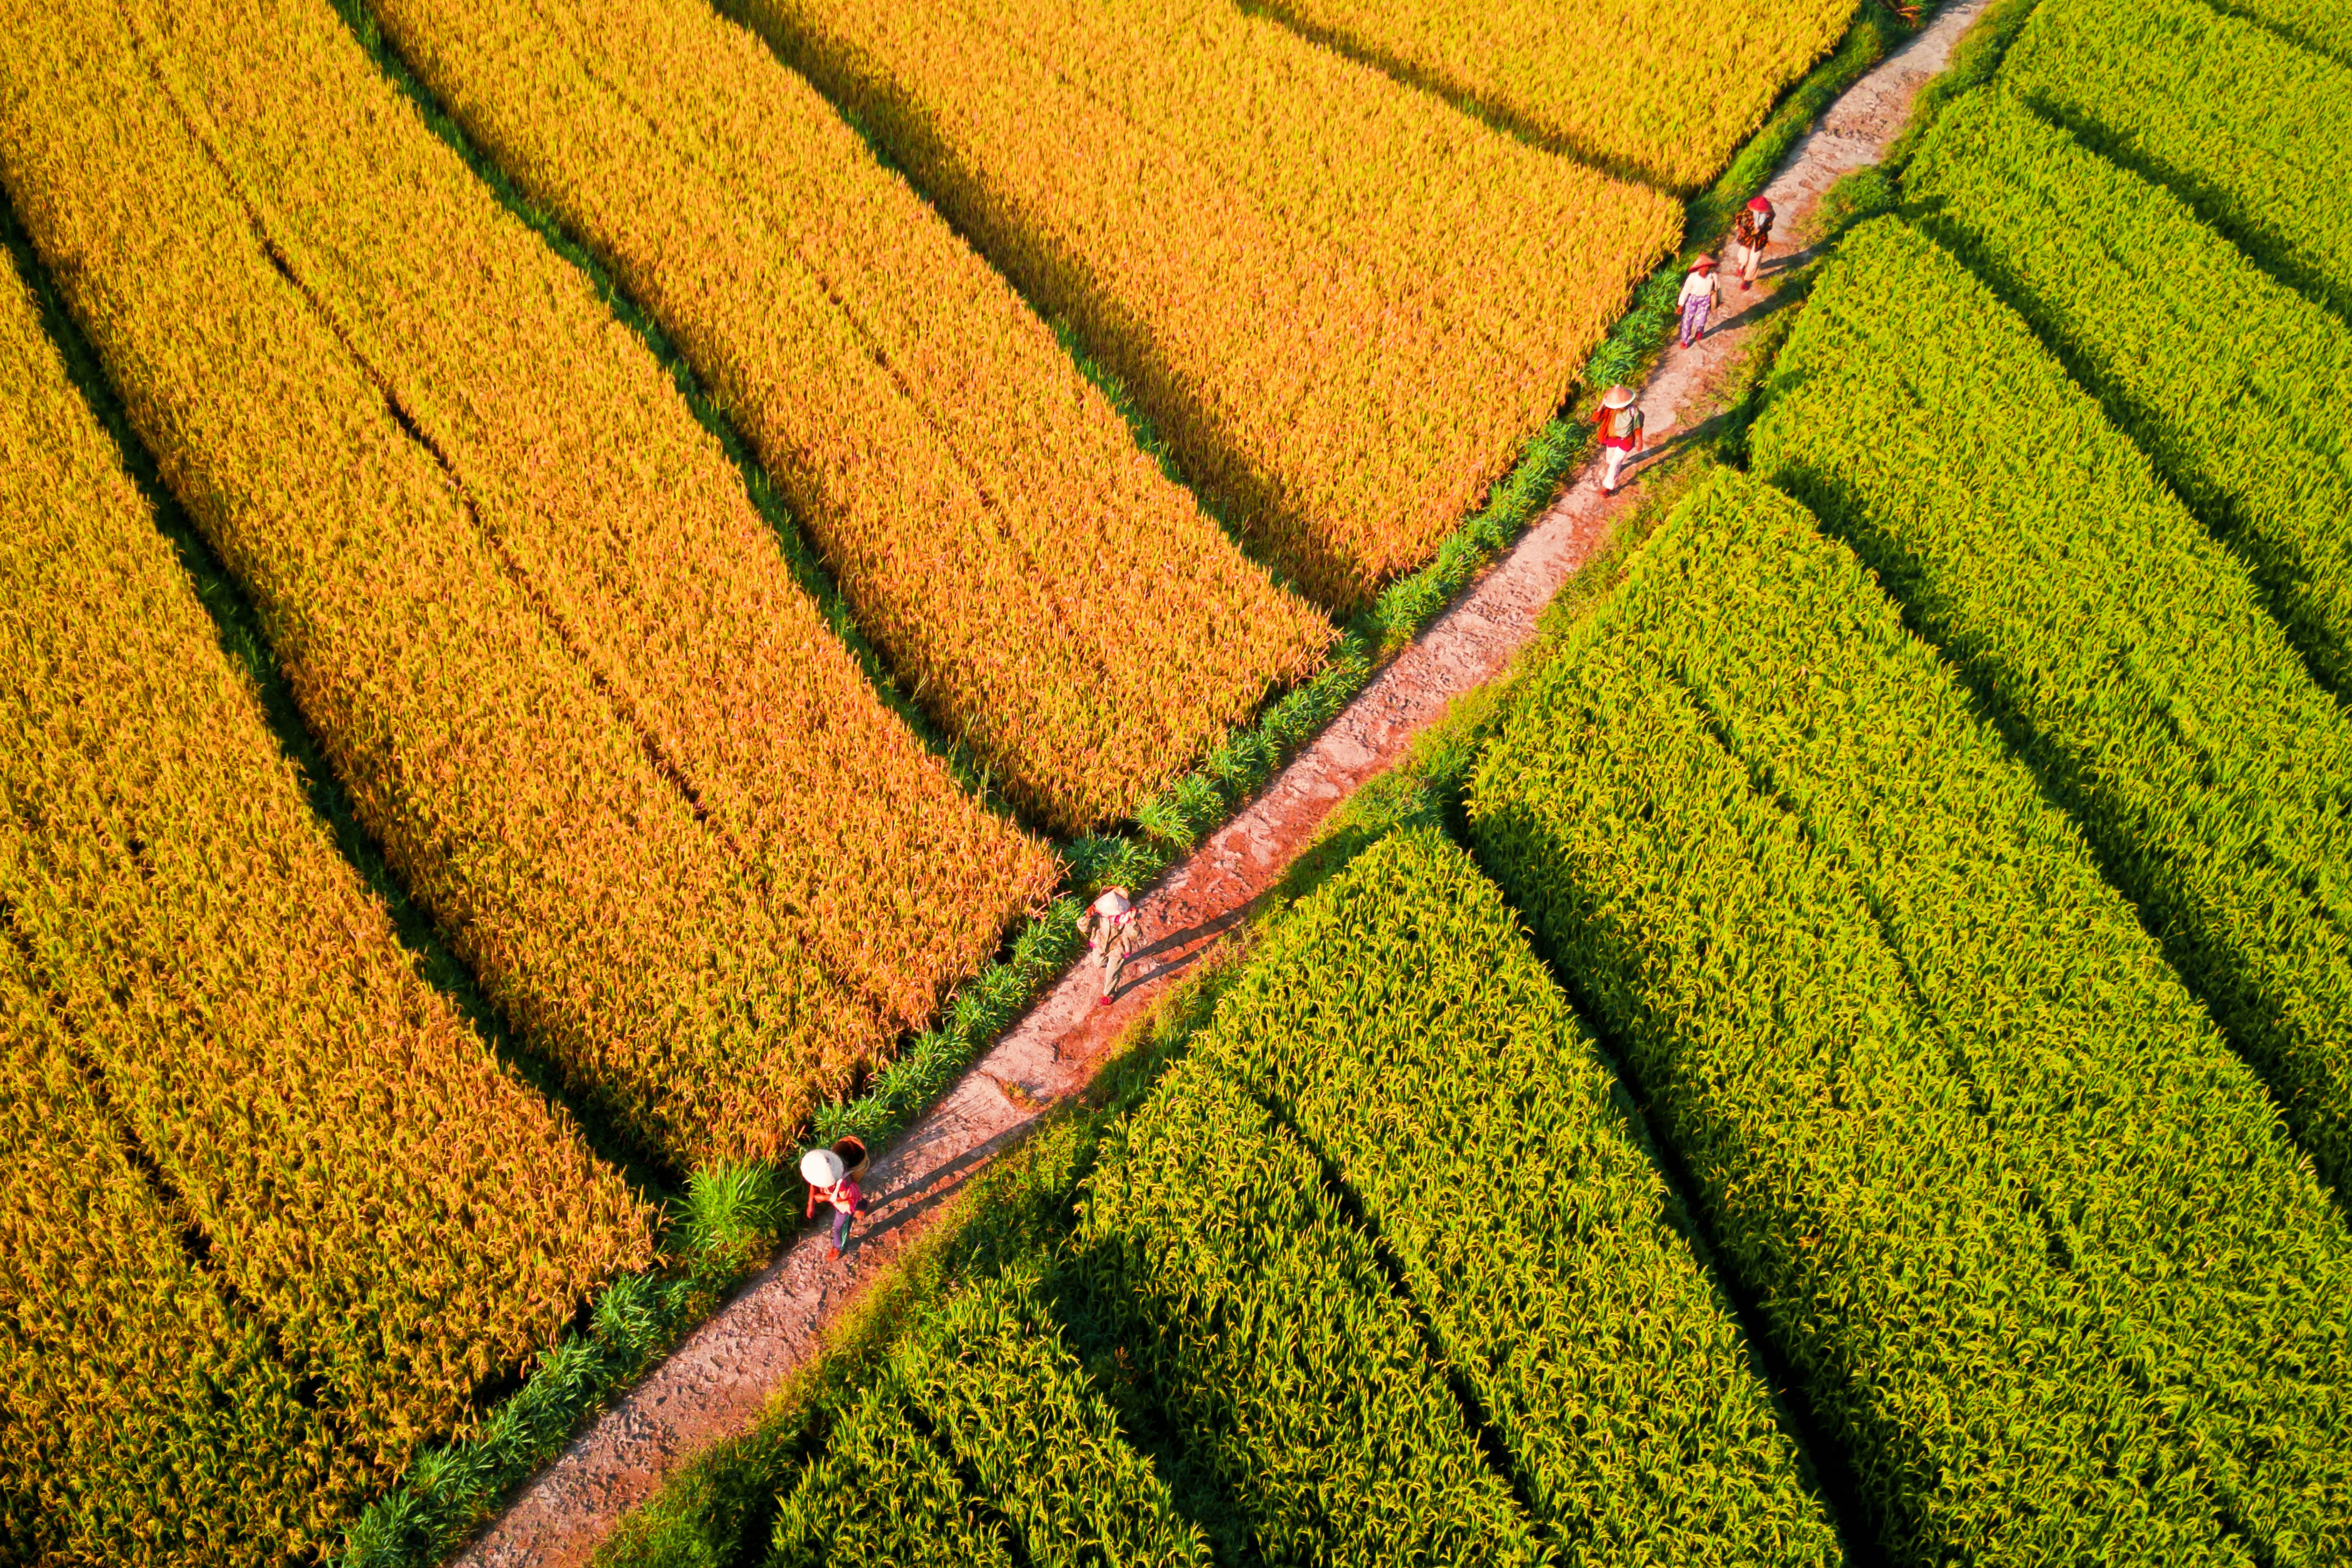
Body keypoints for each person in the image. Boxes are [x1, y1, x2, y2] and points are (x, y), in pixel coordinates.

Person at [800, 1147, 862, 1261]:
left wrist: (824, 1198)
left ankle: (839, 1247)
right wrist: (811, 1204)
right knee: (859, 1203)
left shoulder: (843, 1180)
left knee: (840, 1226)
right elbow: (813, 1184)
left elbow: (844, 1199)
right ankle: (864, 1207)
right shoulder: (819, 1170)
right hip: (842, 1198)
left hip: (845, 1202)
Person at [1082, 884, 1138, 1007]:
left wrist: (1133, 921)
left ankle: (1110, 993)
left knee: (1112, 973)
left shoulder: (1126, 918)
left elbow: (1136, 936)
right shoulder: (1098, 915)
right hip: (1101, 944)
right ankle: (1110, 964)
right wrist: (1087, 917)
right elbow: (1083, 928)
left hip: (1118, 949)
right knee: (1098, 963)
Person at [1593, 385, 1645, 495]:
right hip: (1612, 439)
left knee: (1615, 464)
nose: (1621, 407)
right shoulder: (1611, 411)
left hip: (1626, 441)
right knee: (1610, 460)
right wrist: (1603, 403)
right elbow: (1595, 419)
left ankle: (1608, 488)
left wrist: (1639, 441)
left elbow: (1637, 427)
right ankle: (1616, 469)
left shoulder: (1633, 411)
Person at [1732, 195, 1775, 291]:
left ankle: (1748, 280)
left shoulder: (1770, 215)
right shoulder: (1749, 211)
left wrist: (1761, 229)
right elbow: (1738, 216)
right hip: (1747, 237)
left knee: (1755, 261)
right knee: (1744, 256)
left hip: (1760, 240)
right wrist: (1739, 226)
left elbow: (1769, 227)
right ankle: (1742, 266)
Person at [1677, 256, 1720, 347]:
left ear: (1709, 267)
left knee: (1702, 318)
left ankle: (1700, 331)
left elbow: (1717, 288)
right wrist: (1681, 305)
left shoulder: (1713, 276)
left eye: (1706, 266)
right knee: (1687, 320)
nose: (1704, 269)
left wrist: (1719, 300)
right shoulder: (1692, 277)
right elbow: (1686, 290)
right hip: (1692, 300)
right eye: (1702, 267)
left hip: (1705, 299)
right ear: (1698, 268)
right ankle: (1685, 340)